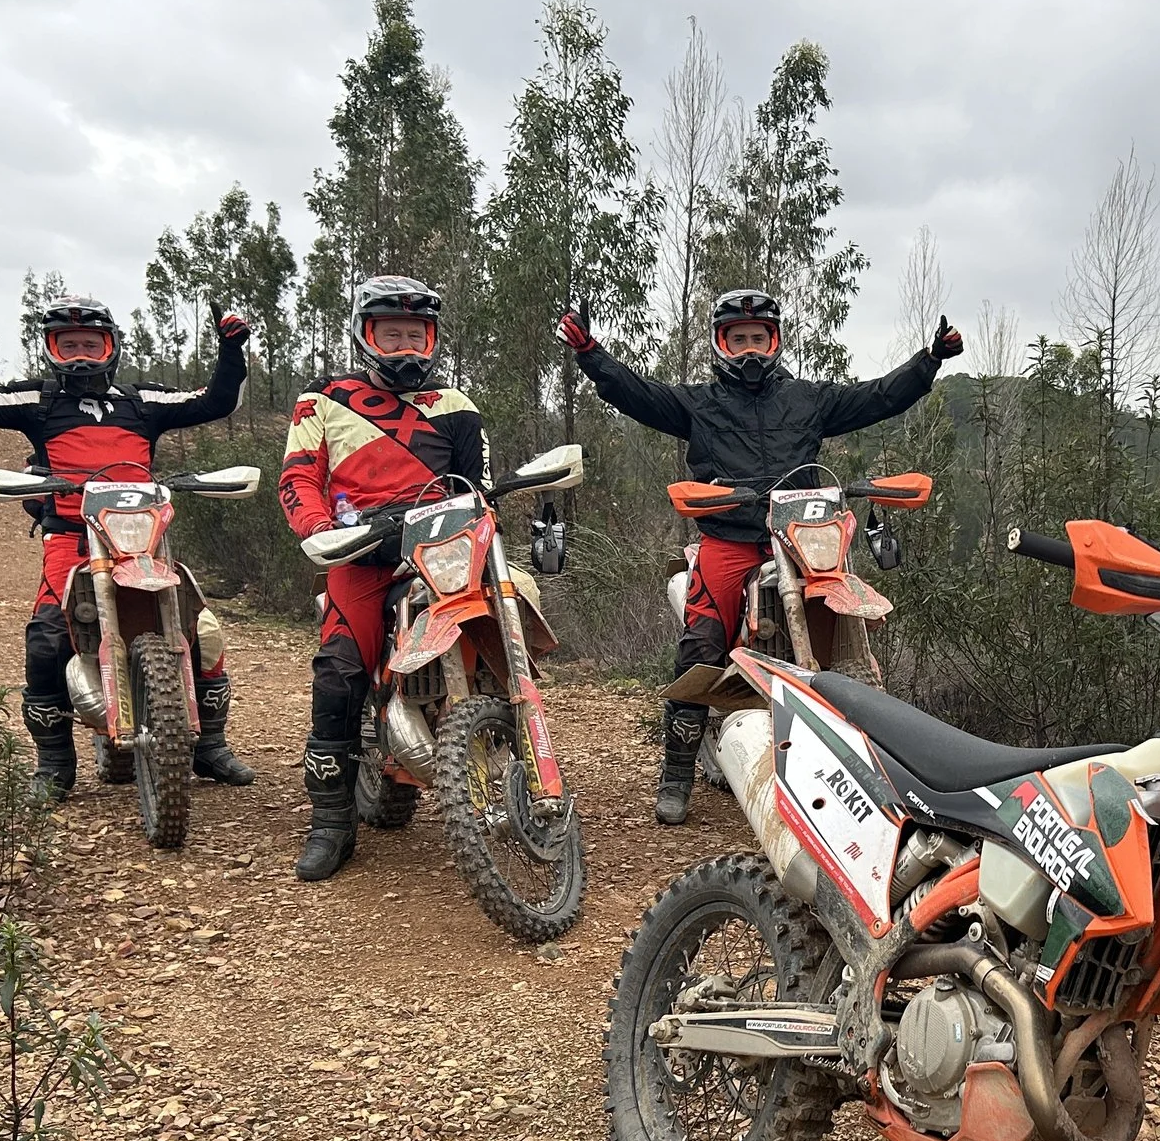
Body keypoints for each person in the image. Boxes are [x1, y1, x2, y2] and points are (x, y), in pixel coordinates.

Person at [562, 289, 962, 824]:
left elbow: (878, 397)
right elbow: (639, 395)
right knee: (701, 645)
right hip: (729, 538)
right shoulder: (699, 404)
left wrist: (928, 361)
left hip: (802, 538)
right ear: (721, 344)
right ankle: (677, 774)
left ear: (774, 341)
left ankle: (870, 772)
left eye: (758, 338)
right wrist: (592, 355)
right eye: (738, 339)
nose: (749, 350)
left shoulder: (807, 400)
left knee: (846, 631)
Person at [0, 296, 256, 802]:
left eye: (90, 345)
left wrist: (230, 348)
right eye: (67, 345)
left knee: (199, 628)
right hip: (71, 538)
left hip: (143, 536)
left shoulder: (143, 403)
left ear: (111, 347)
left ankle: (209, 746)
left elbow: (214, 401)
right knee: (48, 638)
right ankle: (53, 765)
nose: (80, 355)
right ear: (50, 348)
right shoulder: (39, 401)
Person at [277, 276, 487, 883]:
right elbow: (297, 477)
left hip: (445, 550)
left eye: (415, 334)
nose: (403, 346)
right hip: (362, 554)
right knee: (341, 672)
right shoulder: (322, 400)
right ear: (365, 335)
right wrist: (320, 530)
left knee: (507, 628)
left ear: (433, 338)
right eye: (389, 333)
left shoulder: (456, 406)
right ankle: (331, 822)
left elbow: (479, 488)